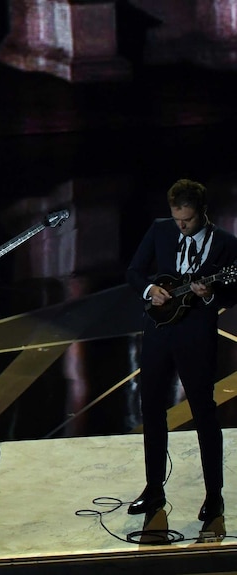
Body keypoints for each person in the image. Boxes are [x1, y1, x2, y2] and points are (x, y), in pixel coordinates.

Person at [125, 178, 237, 521]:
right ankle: (154, 489)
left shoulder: (225, 244)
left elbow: (233, 292)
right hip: (158, 333)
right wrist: (150, 291)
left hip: (196, 335)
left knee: (204, 412)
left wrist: (211, 296)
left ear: (202, 212)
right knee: (152, 409)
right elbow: (134, 271)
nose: (182, 226)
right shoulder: (160, 230)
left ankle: (213, 495)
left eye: (187, 220)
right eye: (177, 219)